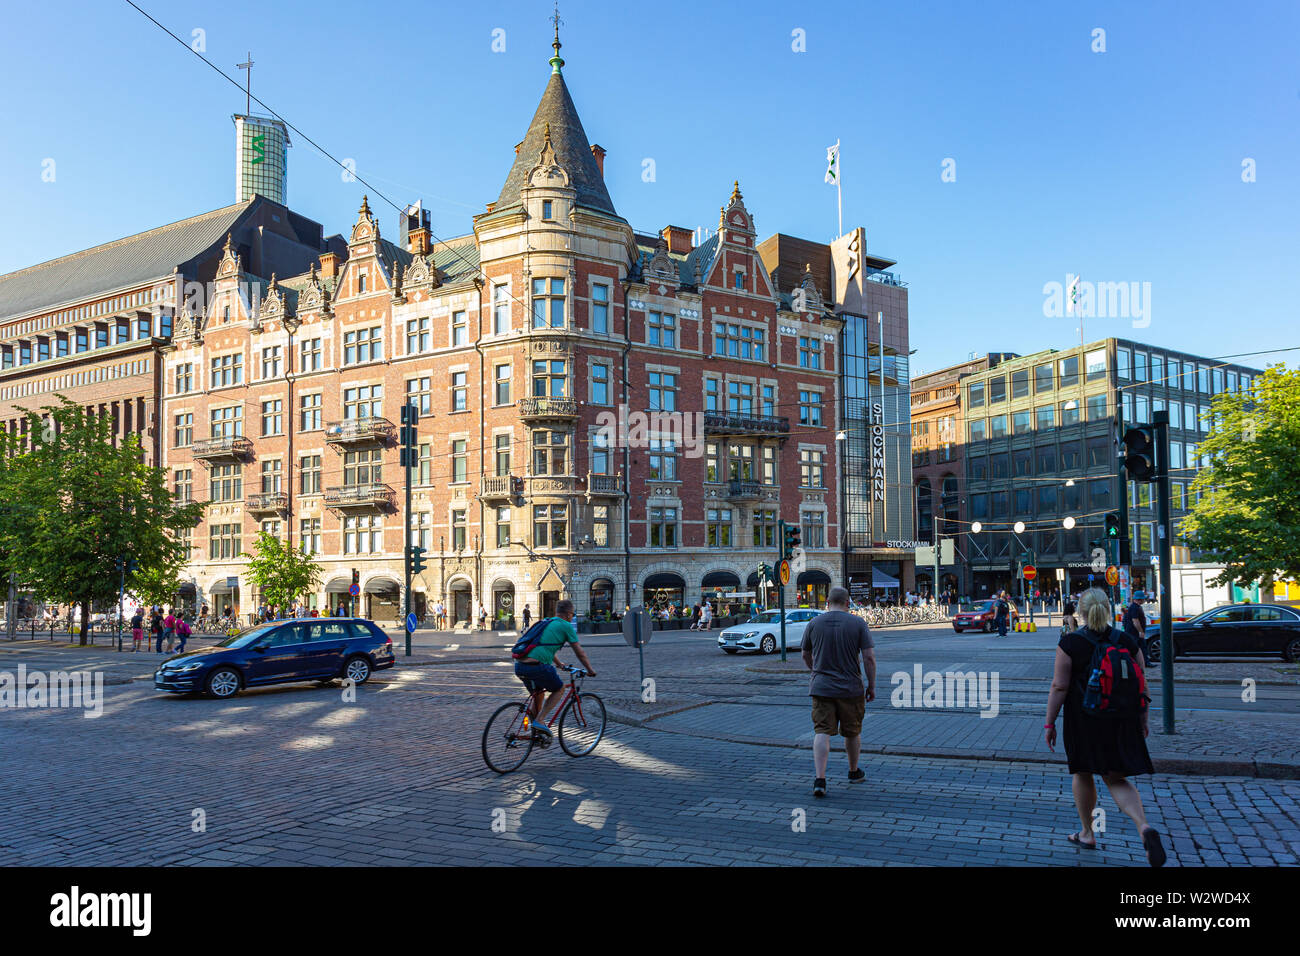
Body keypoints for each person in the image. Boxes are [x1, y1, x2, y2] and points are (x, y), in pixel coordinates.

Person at [1045, 587, 1165, 866]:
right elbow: (1141, 683)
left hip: (1084, 719)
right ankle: (1143, 826)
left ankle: (1087, 833)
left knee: (1083, 772)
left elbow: (1059, 686)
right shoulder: (1126, 641)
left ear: (1081, 613)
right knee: (1116, 778)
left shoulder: (1070, 644)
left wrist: (1049, 723)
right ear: (1108, 610)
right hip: (1122, 719)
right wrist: (1143, 718)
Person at [801, 587, 875, 798]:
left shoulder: (814, 623)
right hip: (851, 687)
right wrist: (872, 685)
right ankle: (853, 772)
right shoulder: (858, 623)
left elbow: (805, 654)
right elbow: (869, 658)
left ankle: (820, 779)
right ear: (847, 602)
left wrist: (816, 670)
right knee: (852, 732)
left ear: (828, 603)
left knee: (822, 731)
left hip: (821, 687)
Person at [513, 599, 597, 741]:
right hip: (536, 667)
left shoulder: (547, 621)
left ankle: (533, 732)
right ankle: (540, 721)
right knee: (559, 689)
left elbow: (544, 646)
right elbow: (579, 652)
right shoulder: (566, 626)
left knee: (538, 695)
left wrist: (559, 663)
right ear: (569, 614)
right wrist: (590, 670)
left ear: (557, 612)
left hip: (520, 665)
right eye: (572, 614)